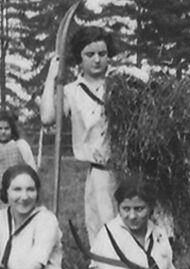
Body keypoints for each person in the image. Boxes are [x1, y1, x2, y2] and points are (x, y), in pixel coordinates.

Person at [39, 26, 118, 239]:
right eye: (90, 54)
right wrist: (52, 76)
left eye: (102, 54)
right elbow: (47, 117)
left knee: (131, 232)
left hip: (127, 171)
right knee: (103, 232)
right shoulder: (72, 92)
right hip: (99, 173)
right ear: (79, 58)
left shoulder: (120, 84)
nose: (97, 60)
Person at [0, 114, 36, 199]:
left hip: (19, 190)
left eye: (6, 128)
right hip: (0, 192)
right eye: (0, 128)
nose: (3, 132)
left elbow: (32, 167)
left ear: (12, 130)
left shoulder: (20, 145)